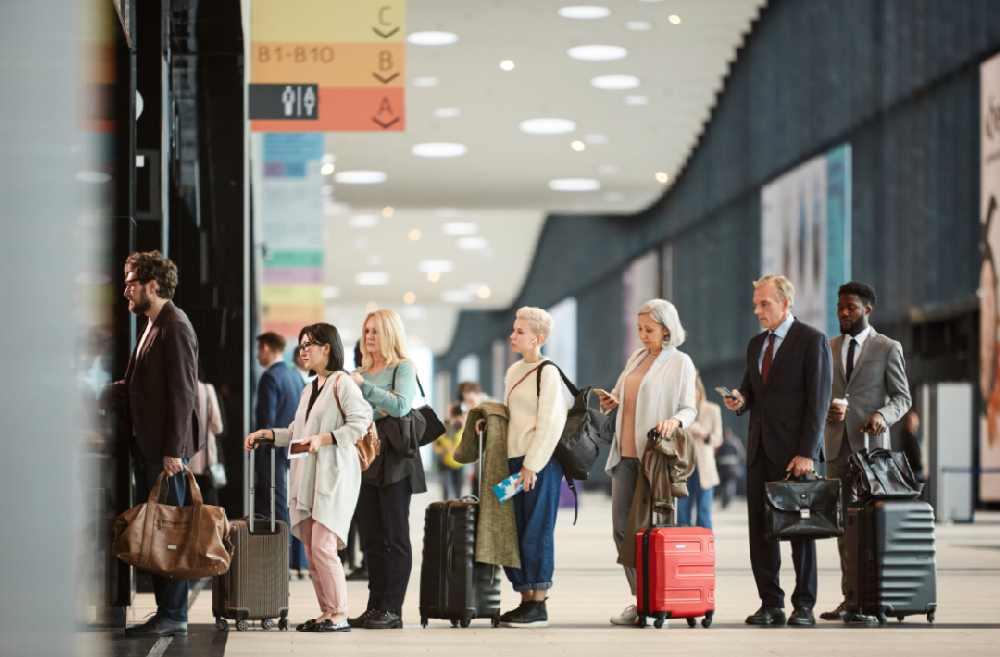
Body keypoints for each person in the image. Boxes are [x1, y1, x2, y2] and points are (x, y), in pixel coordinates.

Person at [244, 323, 372, 633]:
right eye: (300, 346)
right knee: (313, 550)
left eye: (307, 345)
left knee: (324, 548)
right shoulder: (309, 386)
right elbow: (297, 432)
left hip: (334, 477)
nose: (302, 352)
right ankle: (327, 611)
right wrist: (268, 434)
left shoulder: (342, 382)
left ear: (326, 348)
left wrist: (325, 438)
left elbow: (362, 419)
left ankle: (339, 614)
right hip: (310, 478)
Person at [723, 274, 832, 627]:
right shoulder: (756, 344)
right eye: (755, 304)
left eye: (764, 304)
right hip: (758, 451)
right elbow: (751, 392)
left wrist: (807, 453)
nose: (757, 310)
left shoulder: (811, 341)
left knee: (800, 532)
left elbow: (817, 403)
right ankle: (771, 603)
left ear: (785, 303)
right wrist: (738, 401)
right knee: (761, 532)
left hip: (793, 455)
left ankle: (804, 605)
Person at [115, 251, 200, 638]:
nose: (125, 290)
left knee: (169, 531)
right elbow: (138, 386)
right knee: (161, 530)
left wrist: (173, 451)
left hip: (163, 452)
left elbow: (183, 394)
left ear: (153, 285)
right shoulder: (153, 324)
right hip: (149, 446)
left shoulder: (175, 325)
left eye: (131, 282)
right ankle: (168, 612)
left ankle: (173, 615)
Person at [598, 299, 698, 626]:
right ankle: (643, 600)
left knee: (657, 532)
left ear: (667, 329)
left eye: (649, 330)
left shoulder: (680, 362)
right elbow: (620, 393)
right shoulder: (636, 357)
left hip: (655, 458)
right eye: (639, 329)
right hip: (624, 455)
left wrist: (675, 421)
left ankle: (660, 602)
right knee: (622, 531)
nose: (643, 335)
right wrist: (610, 401)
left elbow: (689, 408)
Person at [820, 282, 911, 623]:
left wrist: (881, 417)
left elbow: (902, 398)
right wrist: (825, 409)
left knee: (873, 526)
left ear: (867, 310)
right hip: (836, 449)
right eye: (841, 307)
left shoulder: (888, 347)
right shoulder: (827, 347)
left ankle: (875, 600)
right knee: (844, 528)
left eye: (851, 308)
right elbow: (815, 394)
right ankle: (851, 598)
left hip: (872, 455)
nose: (844, 313)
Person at [476, 307, 569, 628]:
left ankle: (538, 604)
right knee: (514, 531)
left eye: (518, 331)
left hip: (538, 464)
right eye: (513, 330)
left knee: (537, 531)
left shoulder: (549, 372)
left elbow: (550, 423)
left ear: (537, 338)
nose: (512, 335)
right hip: (514, 464)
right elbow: (512, 414)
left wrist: (532, 465)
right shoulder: (515, 370)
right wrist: (489, 423)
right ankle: (525, 599)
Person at [348, 310, 427, 630]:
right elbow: (356, 415)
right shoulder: (360, 371)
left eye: (376, 331)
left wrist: (367, 390)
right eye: (366, 330)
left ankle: (392, 608)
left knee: (394, 537)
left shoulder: (402, 368)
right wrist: (378, 402)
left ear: (390, 334)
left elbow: (400, 406)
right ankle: (375, 605)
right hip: (365, 459)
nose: (369, 336)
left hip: (394, 460)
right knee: (371, 539)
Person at [254, 332, 308, 578]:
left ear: (266, 347)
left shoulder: (270, 377)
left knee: (273, 507)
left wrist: (259, 446)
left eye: (259, 350)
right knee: (291, 505)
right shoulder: (295, 376)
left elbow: (266, 421)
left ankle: (278, 563)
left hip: (273, 453)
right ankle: (296, 562)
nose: (257, 355)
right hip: (294, 452)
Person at [675, 371, 724, 530]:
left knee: (703, 511)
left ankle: (704, 547)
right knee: (682, 511)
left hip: (705, 468)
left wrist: (702, 432)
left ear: (700, 392)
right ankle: (684, 544)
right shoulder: (679, 412)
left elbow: (718, 439)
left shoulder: (712, 409)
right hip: (684, 467)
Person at [189, 379, 224, 506]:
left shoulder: (178, 388)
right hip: (205, 459)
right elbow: (218, 427)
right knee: (208, 502)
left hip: (186, 459)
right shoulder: (207, 390)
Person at [715, 428, 746, 509]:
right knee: (730, 484)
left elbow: (716, 456)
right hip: (732, 467)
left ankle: (726, 501)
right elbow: (741, 454)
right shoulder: (736, 442)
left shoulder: (721, 442)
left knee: (725, 485)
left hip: (723, 467)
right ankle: (727, 500)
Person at [899, 411, 925, 483]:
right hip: (912, 470)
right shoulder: (907, 436)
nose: (912, 423)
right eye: (910, 421)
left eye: (914, 421)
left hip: (918, 470)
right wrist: (920, 467)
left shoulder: (917, 436)